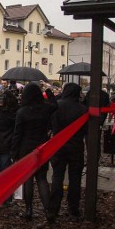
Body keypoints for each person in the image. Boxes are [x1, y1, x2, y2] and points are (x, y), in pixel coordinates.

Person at [12, 82, 57, 221]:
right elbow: (55, 105)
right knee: (42, 179)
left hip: (25, 148)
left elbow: (17, 134)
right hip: (42, 146)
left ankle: (28, 209)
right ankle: (48, 210)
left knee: (28, 179)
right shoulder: (46, 109)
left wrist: (14, 153)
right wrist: (48, 91)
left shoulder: (22, 112)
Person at [49, 83, 87, 221]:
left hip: (58, 147)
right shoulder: (83, 109)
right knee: (75, 179)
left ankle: (54, 208)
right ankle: (73, 208)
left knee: (57, 177)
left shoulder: (57, 106)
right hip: (76, 147)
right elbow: (86, 130)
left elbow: (51, 124)